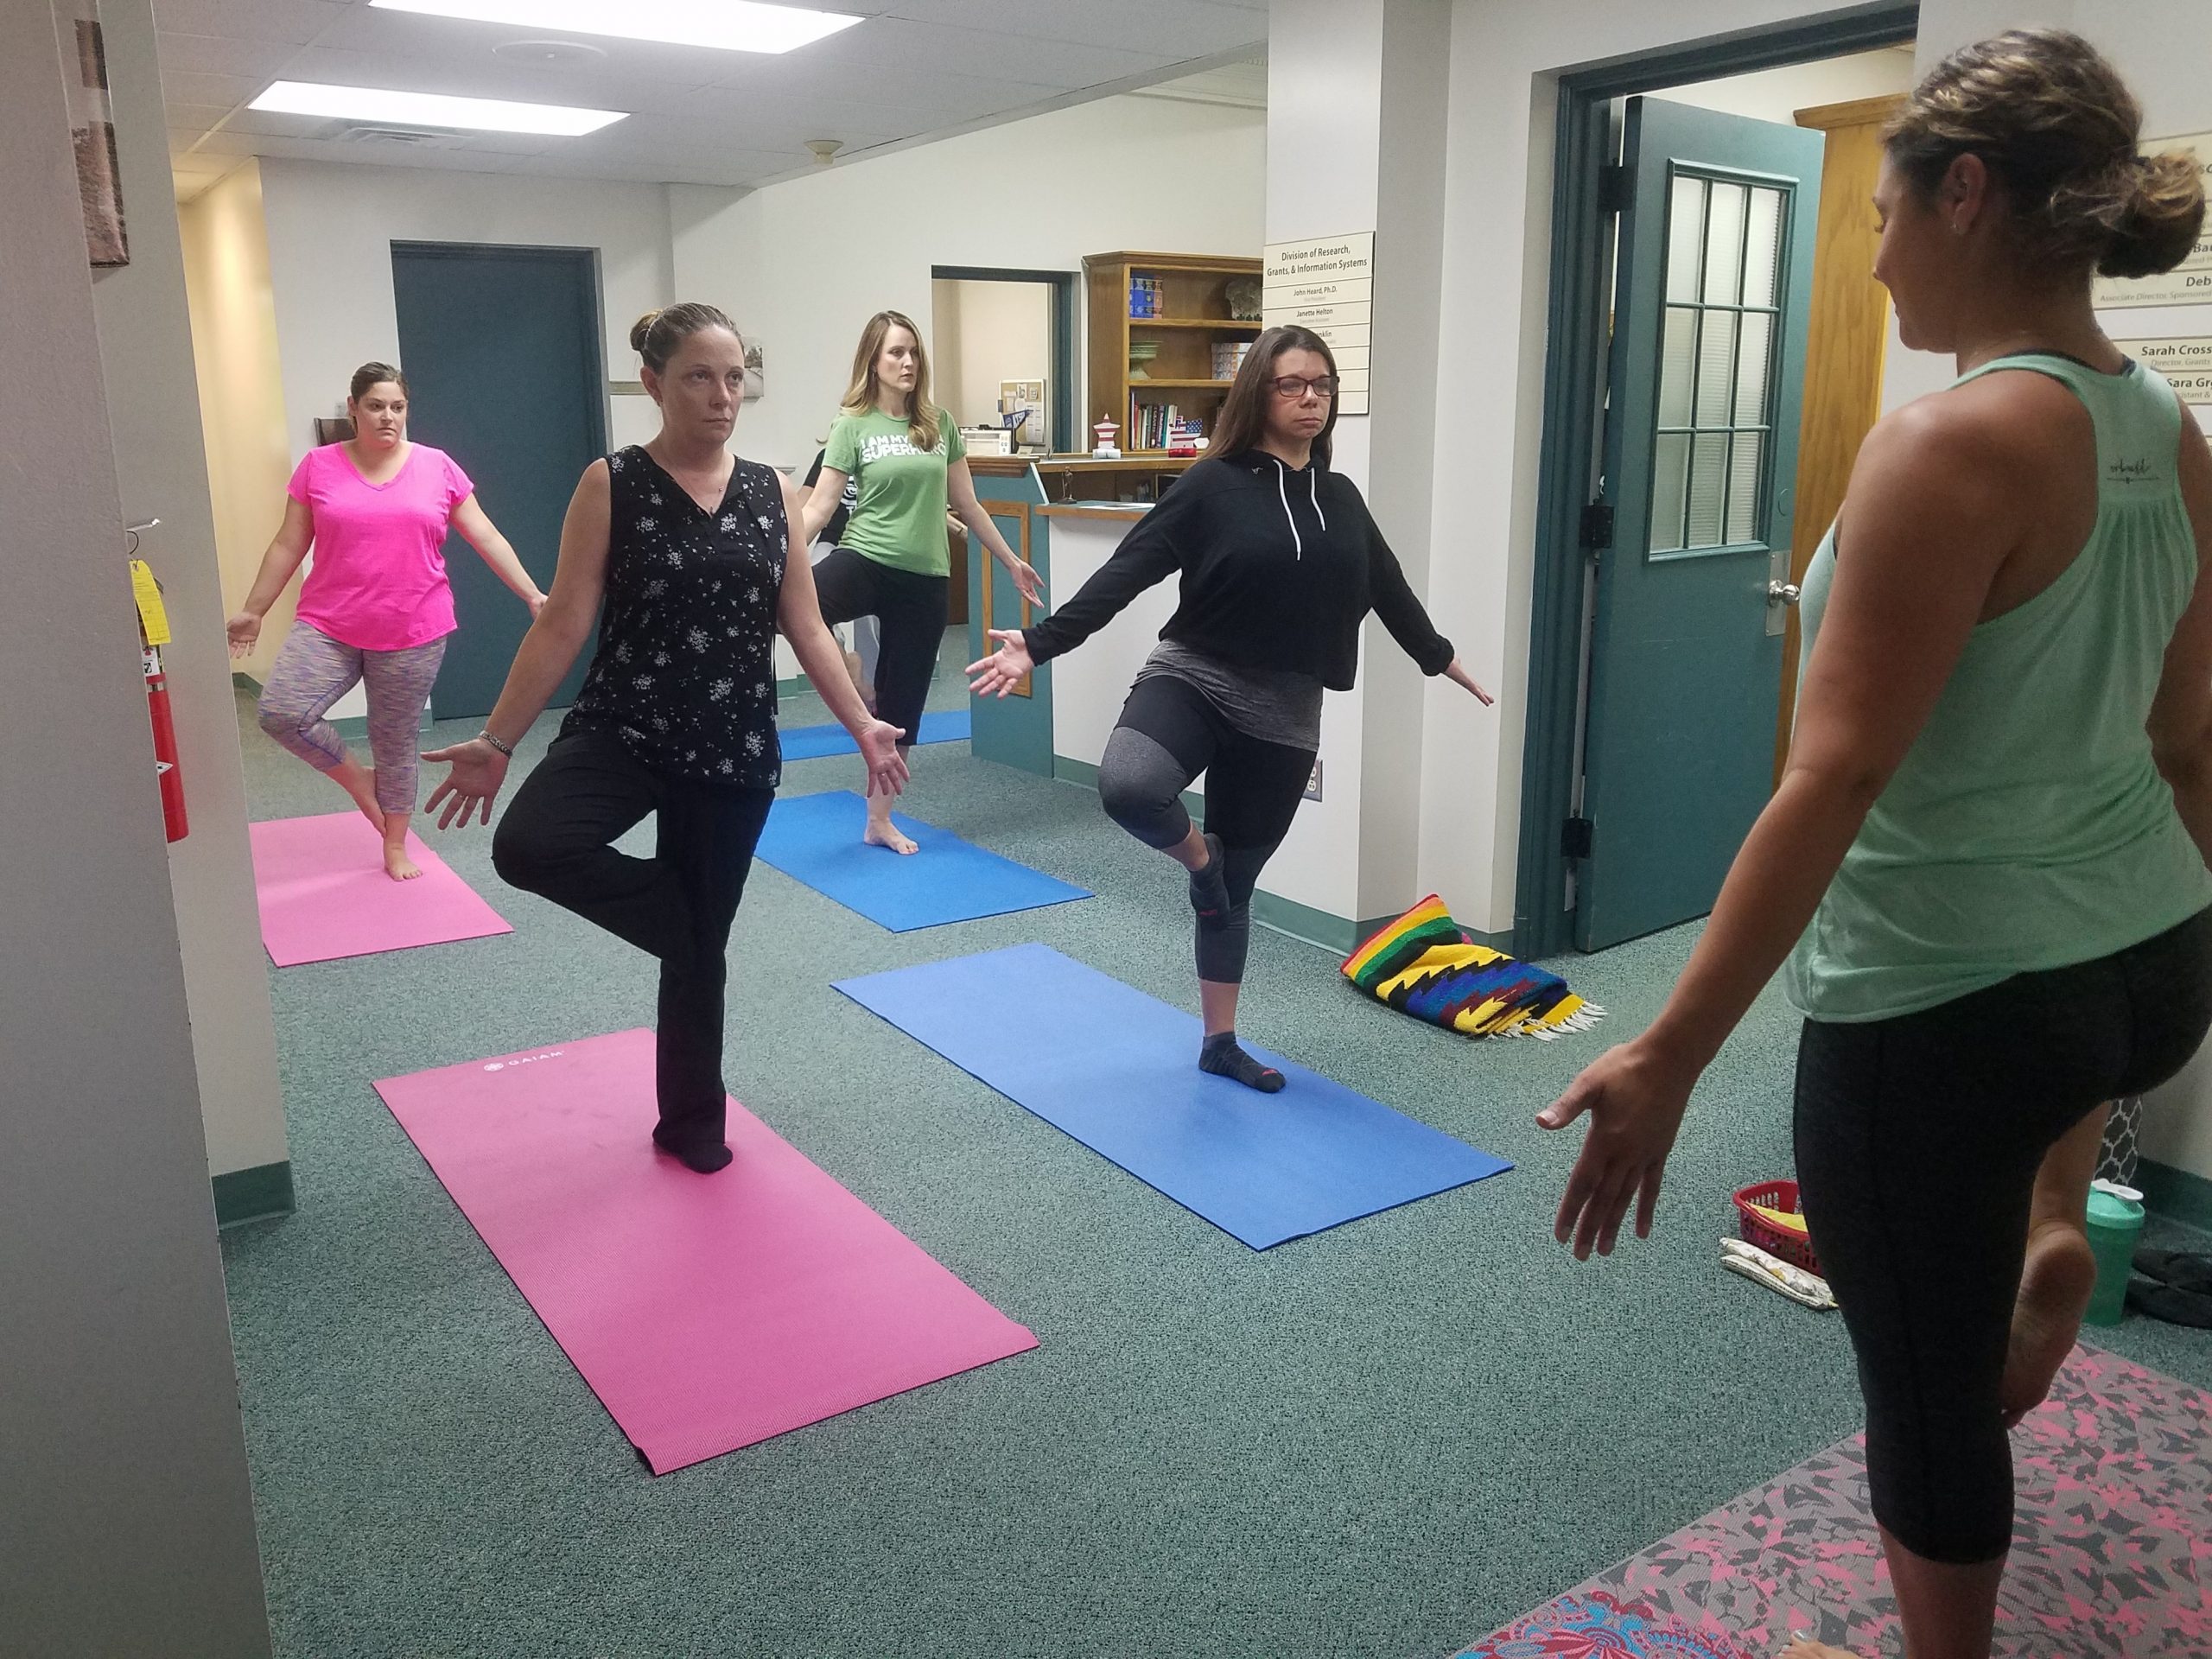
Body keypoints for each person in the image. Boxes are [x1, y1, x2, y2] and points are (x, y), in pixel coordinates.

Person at [1535, 31, 2212, 1659]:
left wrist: (1673, 1050)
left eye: (1887, 213)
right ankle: (2058, 1226)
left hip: (1947, 1005)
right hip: (2151, 959)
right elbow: (2188, 745)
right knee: (2042, 1116)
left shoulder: (1953, 443)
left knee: (1922, 1390)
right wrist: (2147, 941)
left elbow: (1828, 784)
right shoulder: (2167, 431)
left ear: (1964, 193)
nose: (1880, 250)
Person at [422, 305, 906, 1174]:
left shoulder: (772, 491)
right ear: (652, 383)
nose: (722, 397)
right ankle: (687, 930)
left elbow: (803, 624)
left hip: (733, 749)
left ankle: (691, 1124)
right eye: (698, 376)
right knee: (533, 846)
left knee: (695, 962)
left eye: (733, 378)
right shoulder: (613, 483)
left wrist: (862, 724)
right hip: (626, 726)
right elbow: (565, 621)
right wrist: (496, 740)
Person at [968, 325, 1493, 1090]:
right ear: (1260, 392)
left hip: (1285, 710)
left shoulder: (1341, 499)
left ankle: (1219, 1041)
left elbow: (1388, 588)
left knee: (1232, 895)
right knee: (1132, 785)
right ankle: (1197, 859)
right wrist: (1038, 645)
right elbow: (1129, 571)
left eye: (1322, 384)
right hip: (1196, 677)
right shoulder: (1212, 485)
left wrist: (1440, 657)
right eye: (1291, 384)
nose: (1310, 397)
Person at [226, 362, 544, 880]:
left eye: (397, 407)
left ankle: (394, 843)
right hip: (328, 623)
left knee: (394, 738)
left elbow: (484, 534)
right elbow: (289, 542)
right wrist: (253, 610)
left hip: (412, 628)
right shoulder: (318, 466)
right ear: (353, 409)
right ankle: (358, 781)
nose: (388, 417)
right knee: (282, 712)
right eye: (376, 406)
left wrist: (532, 594)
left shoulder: (437, 466)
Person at [800, 310, 1043, 854]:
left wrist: (1009, 560)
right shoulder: (852, 425)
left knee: (903, 704)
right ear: (874, 360)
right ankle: (849, 671)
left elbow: (968, 505)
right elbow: (818, 507)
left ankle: (879, 820)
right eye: (895, 353)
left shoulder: (939, 424)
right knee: (795, 606)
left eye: (912, 352)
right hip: (864, 556)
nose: (907, 362)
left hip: (926, 577)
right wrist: (779, 558)